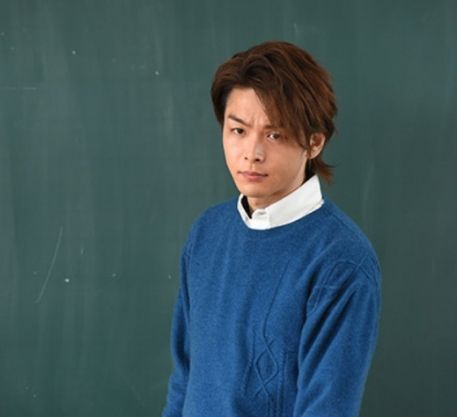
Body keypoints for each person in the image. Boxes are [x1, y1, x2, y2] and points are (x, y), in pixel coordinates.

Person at [162, 41, 381, 417]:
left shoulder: (341, 262)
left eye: (274, 134)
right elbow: (184, 377)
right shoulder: (206, 233)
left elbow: (326, 409)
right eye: (238, 130)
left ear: (314, 142)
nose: (252, 152)